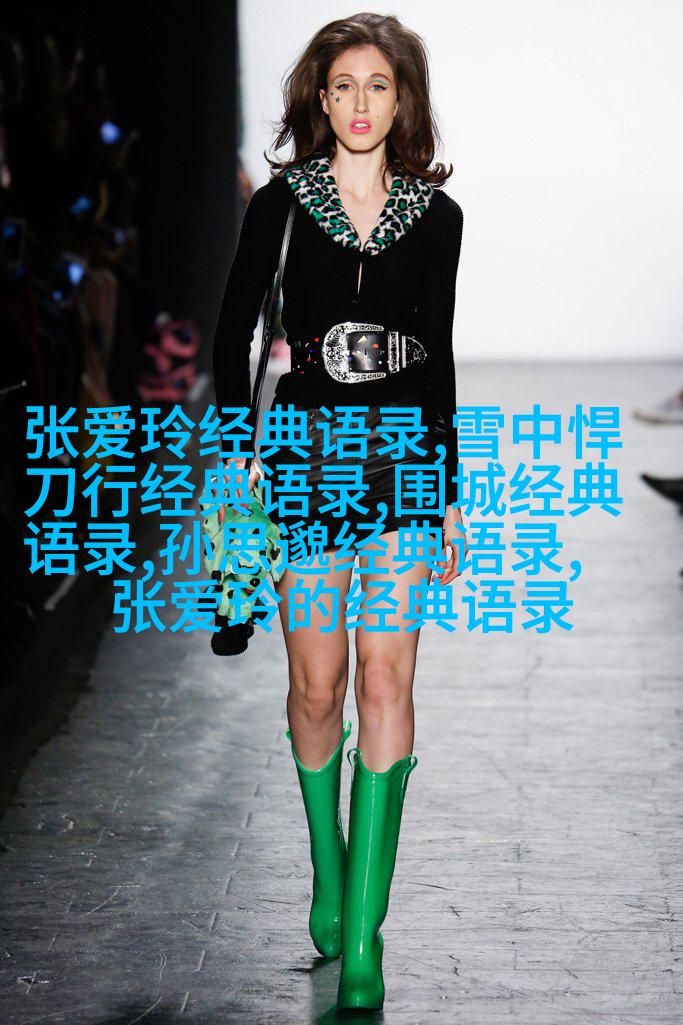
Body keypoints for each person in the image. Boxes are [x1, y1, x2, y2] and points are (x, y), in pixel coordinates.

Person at [212, 13, 468, 1011]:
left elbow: (437, 358)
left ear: (402, 102)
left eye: (379, 86)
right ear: (320, 99)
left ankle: (362, 935)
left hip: (402, 458)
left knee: (384, 672)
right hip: (305, 458)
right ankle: (329, 864)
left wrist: (446, 494)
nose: (361, 104)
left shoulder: (438, 218)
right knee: (316, 689)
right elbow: (234, 332)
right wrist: (237, 460)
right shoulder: (279, 206)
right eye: (344, 86)